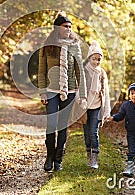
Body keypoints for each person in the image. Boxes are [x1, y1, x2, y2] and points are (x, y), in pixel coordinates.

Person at [38, 11, 87, 172]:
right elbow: (41, 70)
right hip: (51, 89)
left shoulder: (74, 45)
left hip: (70, 90)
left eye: (70, 27)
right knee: (51, 124)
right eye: (65, 26)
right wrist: (42, 92)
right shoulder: (48, 45)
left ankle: (58, 159)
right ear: (57, 28)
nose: (68, 29)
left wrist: (83, 94)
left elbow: (79, 70)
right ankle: (49, 156)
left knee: (62, 126)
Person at [79, 40, 111, 169]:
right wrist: (80, 100)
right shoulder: (84, 71)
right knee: (87, 133)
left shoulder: (101, 73)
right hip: (85, 106)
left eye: (99, 59)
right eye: (94, 59)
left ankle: (95, 159)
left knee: (93, 132)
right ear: (89, 58)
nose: (96, 62)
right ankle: (88, 155)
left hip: (97, 106)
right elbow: (79, 87)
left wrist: (107, 111)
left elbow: (106, 92)